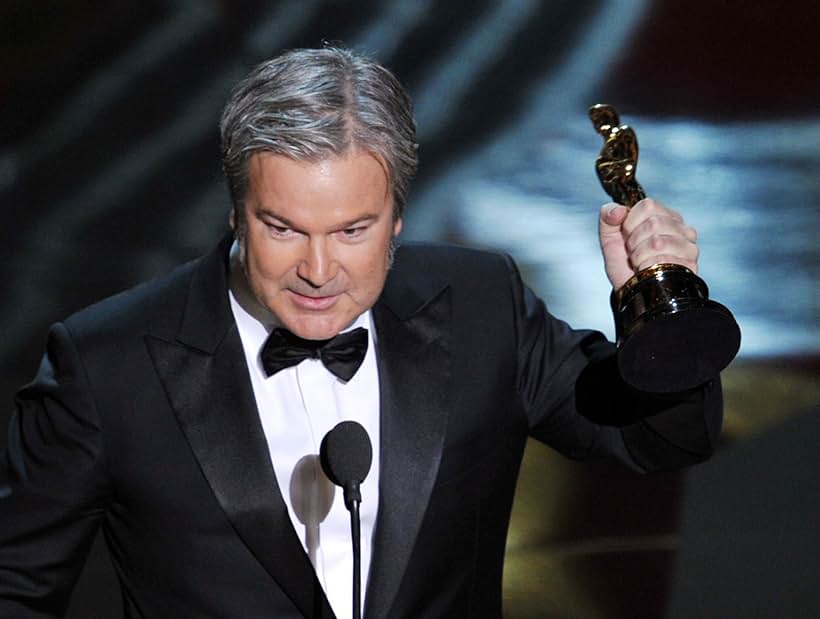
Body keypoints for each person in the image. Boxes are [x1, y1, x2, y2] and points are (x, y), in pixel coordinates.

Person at [0, 47, 722, 619]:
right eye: (282, 227)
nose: (319, 269)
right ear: (236, 211)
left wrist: (660, 302)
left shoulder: (479, 305)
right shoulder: (107, 363)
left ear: (398, 217)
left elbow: (657, 438)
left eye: (353, 230)